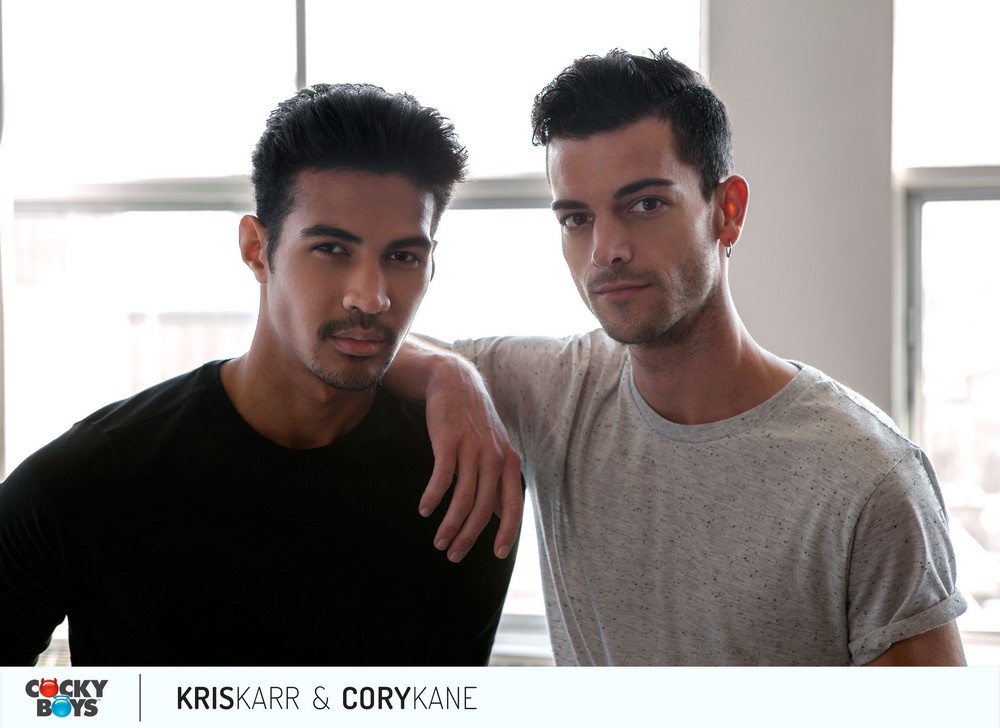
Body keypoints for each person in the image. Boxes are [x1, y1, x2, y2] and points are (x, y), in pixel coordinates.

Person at [385, 49, 968, 665]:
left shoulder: (868, 476)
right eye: (577, 218)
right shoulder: (556, 389)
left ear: (728, 211)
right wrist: (447, 372)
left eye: (645, 205)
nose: (605, 250)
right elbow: (360, 348)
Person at [0, 83, 521, 666]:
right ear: (255, 249)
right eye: (331, 249)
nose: (371, 297)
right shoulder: (90, 478)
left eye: (403, 257)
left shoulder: (463, 482)